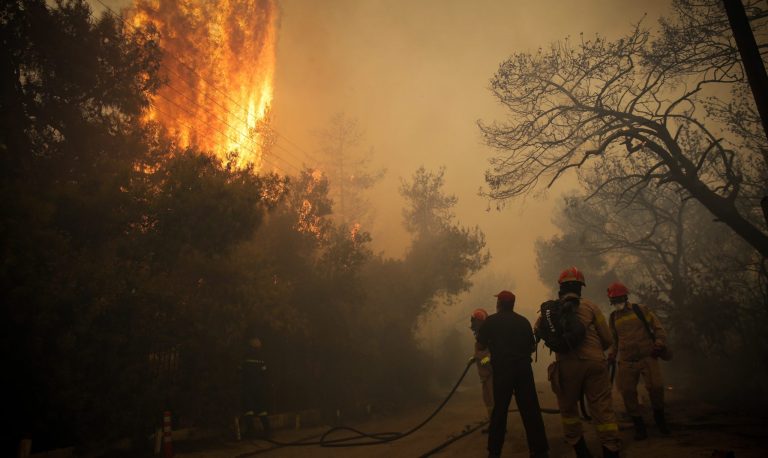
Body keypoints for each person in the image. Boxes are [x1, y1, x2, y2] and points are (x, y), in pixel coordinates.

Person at [536, 267, 620, 458]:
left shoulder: (551, 310)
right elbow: (607, 339)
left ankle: (580, 450)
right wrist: (596, 351)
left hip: (566, 366)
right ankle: (610, 449)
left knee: (569, 410)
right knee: (602, 408)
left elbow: (539, 332)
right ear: (580, 288)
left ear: (561, 287)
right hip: (594, 363)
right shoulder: (591, 307)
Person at [476, 290, 549, 458]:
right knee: (531, 410)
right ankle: (540, 451)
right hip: (523, 370)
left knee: (499, 412)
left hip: (503, 371)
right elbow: (532, 347)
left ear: (499, 304)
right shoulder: (523, 321)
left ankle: (494, 452)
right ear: (512, 305)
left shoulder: (491, 321)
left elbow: (480, 346)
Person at [606, 281, 670, 439]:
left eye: (619, 299)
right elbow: (614, 340)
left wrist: (659, 343)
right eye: (614, 300)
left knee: (656, 387)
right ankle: (639, 426)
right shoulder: (613, 318)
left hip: (647, 356)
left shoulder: (640, 310)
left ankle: (660, 420)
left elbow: (658, 328)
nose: (617, 302)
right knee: (627, 392)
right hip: (627, 361)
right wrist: (612, 354)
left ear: (625, 297)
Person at [241, 336, 271, 440]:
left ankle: (251, 432)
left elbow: (240, 371)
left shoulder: (245, 358)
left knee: (248, 409)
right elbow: (265, 373)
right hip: (260, 387)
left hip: (248, 387)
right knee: (262, 409)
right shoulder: (261, 358)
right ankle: (267, 430)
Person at [470, 308, 494, 431]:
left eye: (475, 321)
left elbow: (490, 357)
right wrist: (474, 358)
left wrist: (480, 359)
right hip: (485, 376)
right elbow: (480, 354)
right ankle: (492, 424)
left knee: (494, 401)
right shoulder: (480, 337)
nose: (473, 324)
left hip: (492, 375)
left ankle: (497, 426)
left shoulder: (489, 336)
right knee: (488, 401)